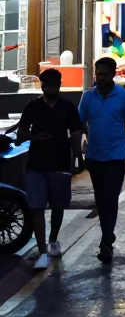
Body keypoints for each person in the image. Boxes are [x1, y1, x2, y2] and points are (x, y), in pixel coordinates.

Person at [17, 67, 83, 270]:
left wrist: (77, 156)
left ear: (59, 86)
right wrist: (34, 137)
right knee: (37, 207)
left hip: (60, 163)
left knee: (58, 206)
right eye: (46, 85)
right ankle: (43, 252)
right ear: (42, 86)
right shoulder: (32, 107)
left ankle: (53, 239)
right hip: (36, 164)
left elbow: (76, 132)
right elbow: (21, 133)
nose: (50, 88)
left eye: (53, 85)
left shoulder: (68, 108)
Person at [78, 57, 125, 263]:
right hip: (95, 156)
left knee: (111, 197)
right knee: (100, 198)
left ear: (113, 74)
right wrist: (85, 142)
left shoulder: (123, 96)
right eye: (98, 74)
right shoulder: (88, 97)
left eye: (104, 74)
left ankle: (106, 239)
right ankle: (108, 232)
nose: (100, 78)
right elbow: (79, 123)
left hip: (116, 155)